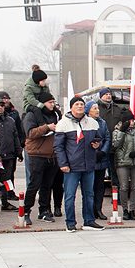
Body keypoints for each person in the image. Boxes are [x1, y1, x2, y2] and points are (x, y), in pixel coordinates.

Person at [54, 97, 106, 232]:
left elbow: (99, 139)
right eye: (76, 104)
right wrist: (63, 163)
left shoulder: (92, 123)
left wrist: (97, 145)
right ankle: (70, 222)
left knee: (89, 194)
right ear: (71, 107)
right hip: (72, 166)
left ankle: (89, 221)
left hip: (89, 164)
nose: (79, 106)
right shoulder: (63, 124)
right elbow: (58, 147)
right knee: (70, 195)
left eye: (81, 104)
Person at [22, 92, 60, 224]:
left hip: (52, 155)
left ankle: (44, 211)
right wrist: (47, 127)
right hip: (37, 155)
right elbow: (30, 133)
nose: (52, 105)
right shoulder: (31, 115)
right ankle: (26, 211)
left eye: (53, 102)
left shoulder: (55, 114)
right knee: (34, 184)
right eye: (50, 102)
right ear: (43, 103)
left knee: (46, 186)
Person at [111, 109, 135, 220]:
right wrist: (122, 132)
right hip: (122, 162)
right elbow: (115, 144)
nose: (131, 122)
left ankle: (132, 210)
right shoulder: (117, 130)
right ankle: (124, 209)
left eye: (132, 120)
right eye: (129, 120)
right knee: (124, 187)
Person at [84, 101, 112, 220]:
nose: (97, 110)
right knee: (89, 187)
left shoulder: (102, 122)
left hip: (101, 159)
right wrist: (94, 153)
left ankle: (98, 209)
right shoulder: (84, 122)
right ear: (88, 110)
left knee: (100, 186)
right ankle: (89, 211)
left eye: (97, 108)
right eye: (94, 108)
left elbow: (107, 138)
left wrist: (102, 152)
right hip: (89, 159)